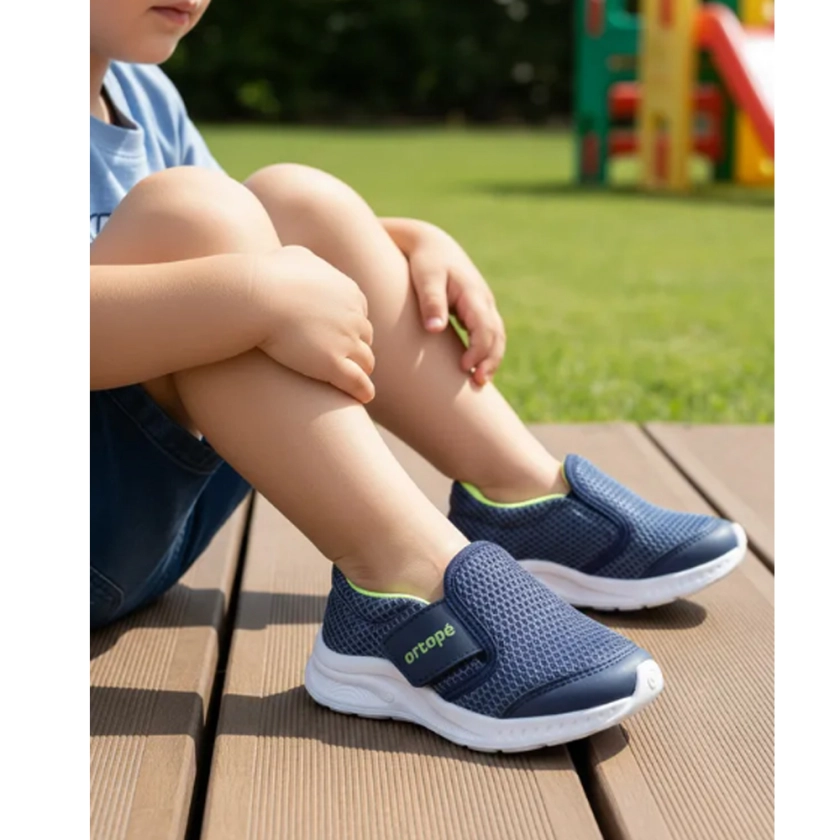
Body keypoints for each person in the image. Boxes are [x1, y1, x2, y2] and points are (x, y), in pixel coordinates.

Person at [90, 0, 746, 751]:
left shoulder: (141, 91)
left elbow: (249, 232)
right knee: (194, 217)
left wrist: (394, 239)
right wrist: (251, 294)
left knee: (295, 199)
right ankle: (406, 585)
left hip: (142, 522)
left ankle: (525, 500)